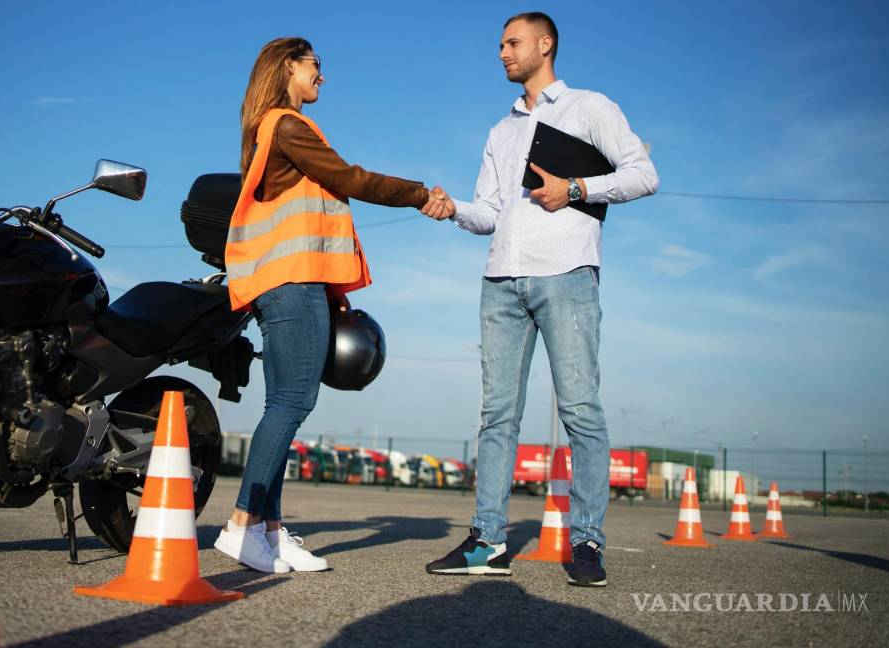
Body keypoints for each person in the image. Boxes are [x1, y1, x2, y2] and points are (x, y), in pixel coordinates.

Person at [422, 12, 658, 586]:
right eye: (500, 44)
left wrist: (574, 189)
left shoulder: (589, 108)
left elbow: (644, 174)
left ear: (544, 44)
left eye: (512, 42)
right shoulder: (499, 131)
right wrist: (453, 209)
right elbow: (491, 213)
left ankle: (587, 542)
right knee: (497, 415)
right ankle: (488, 540)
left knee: (580, 411)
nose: (502, 52)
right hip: (501, 280)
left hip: (567, 274)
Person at [215, 36, 449, 573]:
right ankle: (243, 524)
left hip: (284, 285)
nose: (322, 76)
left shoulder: (268, 130)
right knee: (293, 403)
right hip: (292, 284)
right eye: (315, 65)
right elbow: (351, 179)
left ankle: (270, 534)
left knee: (283, 404)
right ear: (288, 68)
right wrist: (419, 194)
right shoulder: (289, 126)